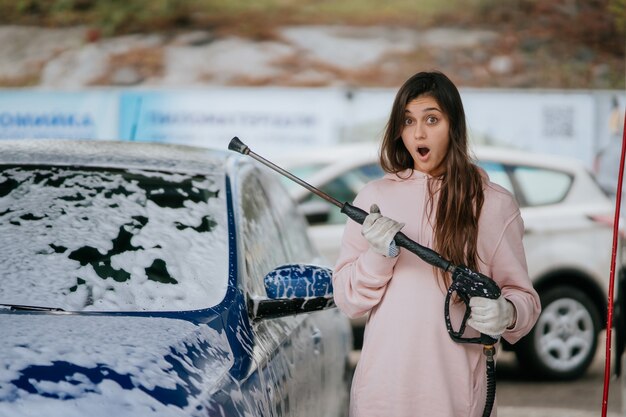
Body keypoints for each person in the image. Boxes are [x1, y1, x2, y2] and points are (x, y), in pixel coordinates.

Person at [332, 71, 541, 417]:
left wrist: (508, 311)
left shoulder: (493, 204)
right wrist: (376, 256)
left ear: (453, 126)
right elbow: (347, 300)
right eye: (408, 121)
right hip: (381, 397)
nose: (418, 133)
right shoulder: (374, 197)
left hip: (456, 400)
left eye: (432, 119)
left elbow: (525, 299)